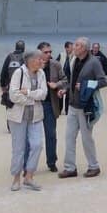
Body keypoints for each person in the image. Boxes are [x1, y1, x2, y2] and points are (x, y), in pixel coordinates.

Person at [57, 36, 107, 179]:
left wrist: (87, 85)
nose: (74, 47)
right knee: (69, 137)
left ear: (85, 49)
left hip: (86, 107)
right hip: (73, 105)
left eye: (78, 45)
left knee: (86, 138)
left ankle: (94, 166)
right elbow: (72, 81)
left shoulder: (94, 62)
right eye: (75, 44)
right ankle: (70, 168)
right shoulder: (74, 60)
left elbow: (103, 81)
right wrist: (65, 89)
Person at [7, 49, 47, 191]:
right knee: (19, 149)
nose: (42, 61)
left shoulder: (41, 73)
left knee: (37, 145)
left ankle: (29, 176)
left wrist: (29, 93)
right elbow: (14, 95)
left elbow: (44, 94)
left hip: (35, 116)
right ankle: (16, 178)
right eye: (40, 59)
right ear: (31, 61)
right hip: (18, 117)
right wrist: (32, 100)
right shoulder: (19, 73)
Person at [37, 41, 65, 172]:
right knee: (33, 136)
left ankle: (52, 162)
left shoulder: (56, 65)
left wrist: (57, 85)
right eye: (45, 52)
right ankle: (29, 165)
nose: (49, 54)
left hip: (49, 105)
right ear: (39, 53)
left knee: (51, 135)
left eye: (50, 52)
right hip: (34, 105)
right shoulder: (32, 65)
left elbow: (65, 80)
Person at [0, 39, 25, 110]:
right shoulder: (25, 57)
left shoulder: (9, 57)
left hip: (10, 89)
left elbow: (3, 73)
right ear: (24, 48)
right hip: (22, 90)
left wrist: (3, 86)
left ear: (15, 47)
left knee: (10, 112)